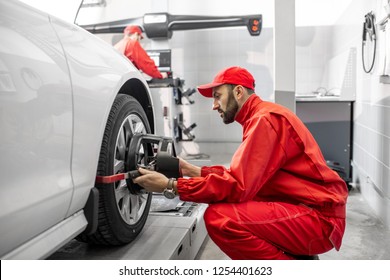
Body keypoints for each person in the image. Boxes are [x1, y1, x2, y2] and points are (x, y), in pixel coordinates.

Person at [133, 66, 348, 260]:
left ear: (238, 92)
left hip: (319, 221)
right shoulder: (262, 116)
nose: (214, 105)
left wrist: (170, 186)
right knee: (227, 206)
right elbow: (242, 175)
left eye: (217, 96)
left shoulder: (265, 120)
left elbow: (237, 185)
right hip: (307, 211)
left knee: (220, 218)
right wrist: (191, 169)